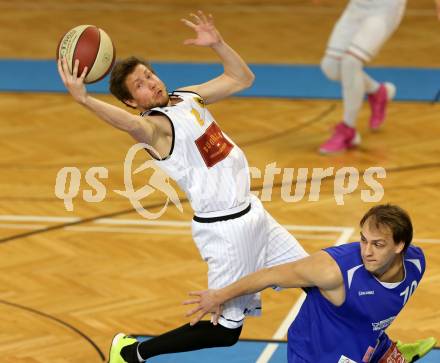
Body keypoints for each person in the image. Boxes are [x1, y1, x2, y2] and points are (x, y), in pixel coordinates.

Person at [58, 10, 310, 363]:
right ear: (132, 101)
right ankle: (132, 353)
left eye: (149, 75)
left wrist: (218, 44)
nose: (152, 83)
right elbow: (129, 125)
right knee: (225, 334)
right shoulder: (154, 129)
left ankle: (373, 351)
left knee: (316, 280)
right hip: (226, 230)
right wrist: (84, 99)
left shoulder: (187, 97)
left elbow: (242, 78)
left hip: (254, 212)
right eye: (140, 85)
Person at [185, 204, 436, 362]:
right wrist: (219, 296)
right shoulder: (332, 270)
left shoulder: (415, 264)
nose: (367, 251)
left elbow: (374, 307)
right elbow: (268, 275)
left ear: (400, 246)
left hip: (363, 343)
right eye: (363, 240)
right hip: (315, 352)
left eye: (378, 244)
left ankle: (389, 352)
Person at [318, 0, 440, 154]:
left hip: (385, 9)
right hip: (356, 7)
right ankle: (378, 92)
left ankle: (348, 130)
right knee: (331, 67)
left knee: (351, 62)